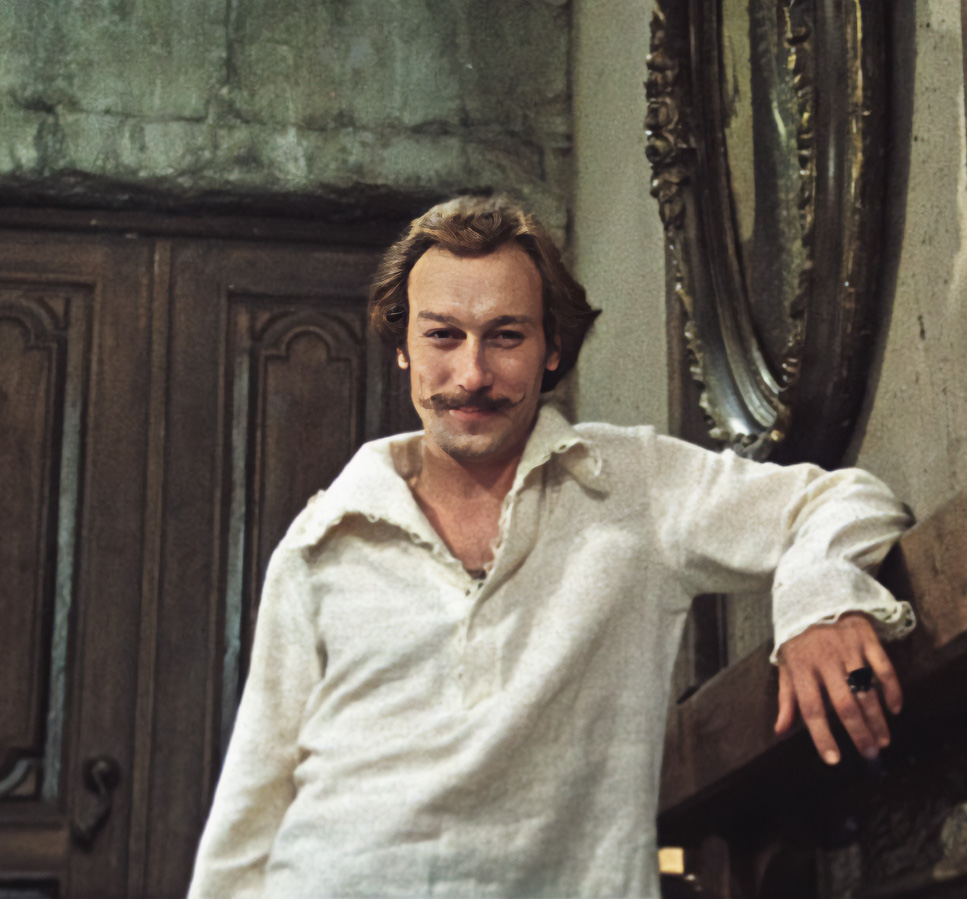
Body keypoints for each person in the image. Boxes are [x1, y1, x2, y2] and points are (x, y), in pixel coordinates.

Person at [188, 196, 915, 898]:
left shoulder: (633, 485)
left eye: (506, 336)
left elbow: (848, 501)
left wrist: (817, 603)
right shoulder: (322, 539)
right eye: (443, 335)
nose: (472, 374)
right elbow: (247, 821)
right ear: (403, 347)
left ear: (552, 348)